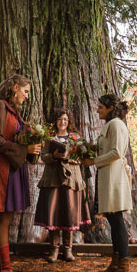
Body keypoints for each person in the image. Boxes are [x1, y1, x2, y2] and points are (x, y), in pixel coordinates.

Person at [0, 74, 42, 272]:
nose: (26, 96)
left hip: (14, 169)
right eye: (25, 91)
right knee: (3, 219)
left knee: (7, 218)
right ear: (15, 88)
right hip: (3, 169)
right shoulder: (0, 106)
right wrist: (25, 149)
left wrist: (32, 146)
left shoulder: (16, 113)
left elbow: (17, 138)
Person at [83, 94, 133, 272]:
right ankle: (115, 263)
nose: (97, 110)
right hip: (108, 177)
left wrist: (93, 161)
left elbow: (117, 152)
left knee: (117, 221)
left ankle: (123, 270)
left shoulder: (116, 125)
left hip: (115, 178)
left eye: (100, 107)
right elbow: (105, 150)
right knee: (113, 220)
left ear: (111, 107)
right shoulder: (110, 125)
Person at [34, 108, 92, 262]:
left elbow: (81, 159)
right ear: (55, 121)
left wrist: (67, 156)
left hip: (71, 180)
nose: (63, 122)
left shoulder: (75, 138)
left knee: (69, 214)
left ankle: (68, 249)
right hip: (53, 179)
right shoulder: (49, 138)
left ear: (69, 121)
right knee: (54, 214)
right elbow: (43, 157)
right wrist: (54, 155)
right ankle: (54, 250)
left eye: (65, 119)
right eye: (60, 119)